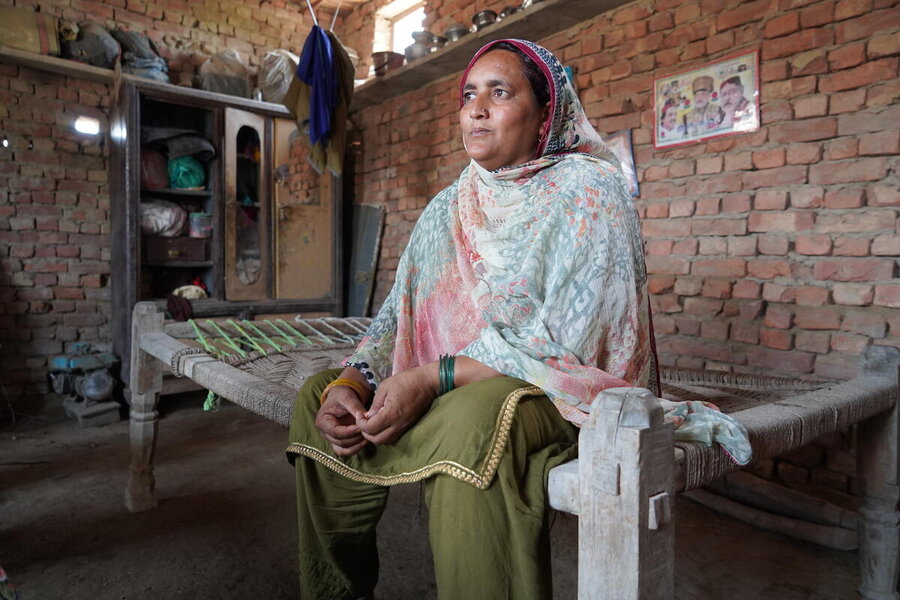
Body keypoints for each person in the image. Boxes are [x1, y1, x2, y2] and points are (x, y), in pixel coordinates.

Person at [287, 39, 656, 600]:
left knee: (474, 419)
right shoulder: (449, 205)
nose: (476, 108)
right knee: (319, 395)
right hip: (458, 381)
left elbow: (573, 345)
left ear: (543, 117)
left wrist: (431, 377)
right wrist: (353, 380)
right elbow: (397, 319)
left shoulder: (589, 190)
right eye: (469, 95)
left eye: (500, 92)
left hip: (559, 389)